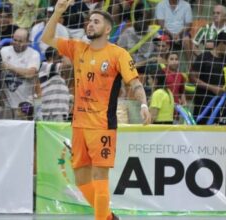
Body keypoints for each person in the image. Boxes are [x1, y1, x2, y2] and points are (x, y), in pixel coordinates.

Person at [41, 2, 151, 219]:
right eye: (89, 21)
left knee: (100, 177)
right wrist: (58, 12)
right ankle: (109, 217)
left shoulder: (118, 54)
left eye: (96, 21)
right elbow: (46, 38)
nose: (90, 25)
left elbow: (135, 83)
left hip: (101, 125)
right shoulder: (77, 48)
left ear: (108, 29)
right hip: (79, 124)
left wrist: (144, 104)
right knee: (81, 180)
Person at [189, 32, 226, 125]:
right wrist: (212, 88)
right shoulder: (203, 57)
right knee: (201, 130)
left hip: (222, 102)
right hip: (203, 102)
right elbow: (192, 78)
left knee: (222, 130)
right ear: (221, 43)